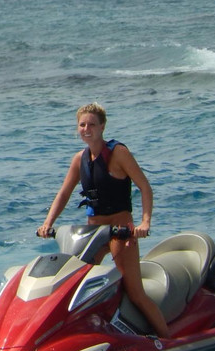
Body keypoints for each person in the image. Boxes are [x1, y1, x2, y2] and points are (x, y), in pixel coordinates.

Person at [36, 103, 171, 338]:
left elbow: (145, 187)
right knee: (76, 286)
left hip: (121, 231)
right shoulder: (79, 159)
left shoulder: (118, 153)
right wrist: (48, 223)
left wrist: (145, 222)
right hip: (94, 234)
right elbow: (64, 193)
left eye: (91, 124)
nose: (86, 129)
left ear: (102, 127)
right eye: (82, 124)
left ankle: (168, 339)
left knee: (135, 292)